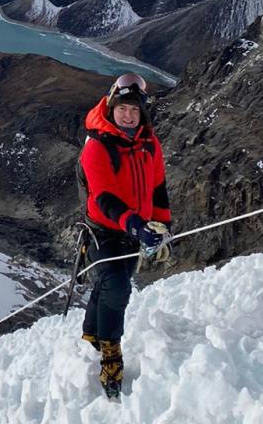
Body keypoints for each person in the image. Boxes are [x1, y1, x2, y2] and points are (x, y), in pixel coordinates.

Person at [78, 72, 172, 400]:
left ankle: (91, 332)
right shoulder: (97, 145)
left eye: (134, 110)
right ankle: (110, 355)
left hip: (137, 227)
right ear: (111, 107)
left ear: (142, 112)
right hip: (105, 230)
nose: (128, 115)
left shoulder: (148, 142)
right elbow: (104, 198)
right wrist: (136, 226)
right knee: (117, 287)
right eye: (122, 109)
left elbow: (158, 186)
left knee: (108, 283)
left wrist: (163, 224)